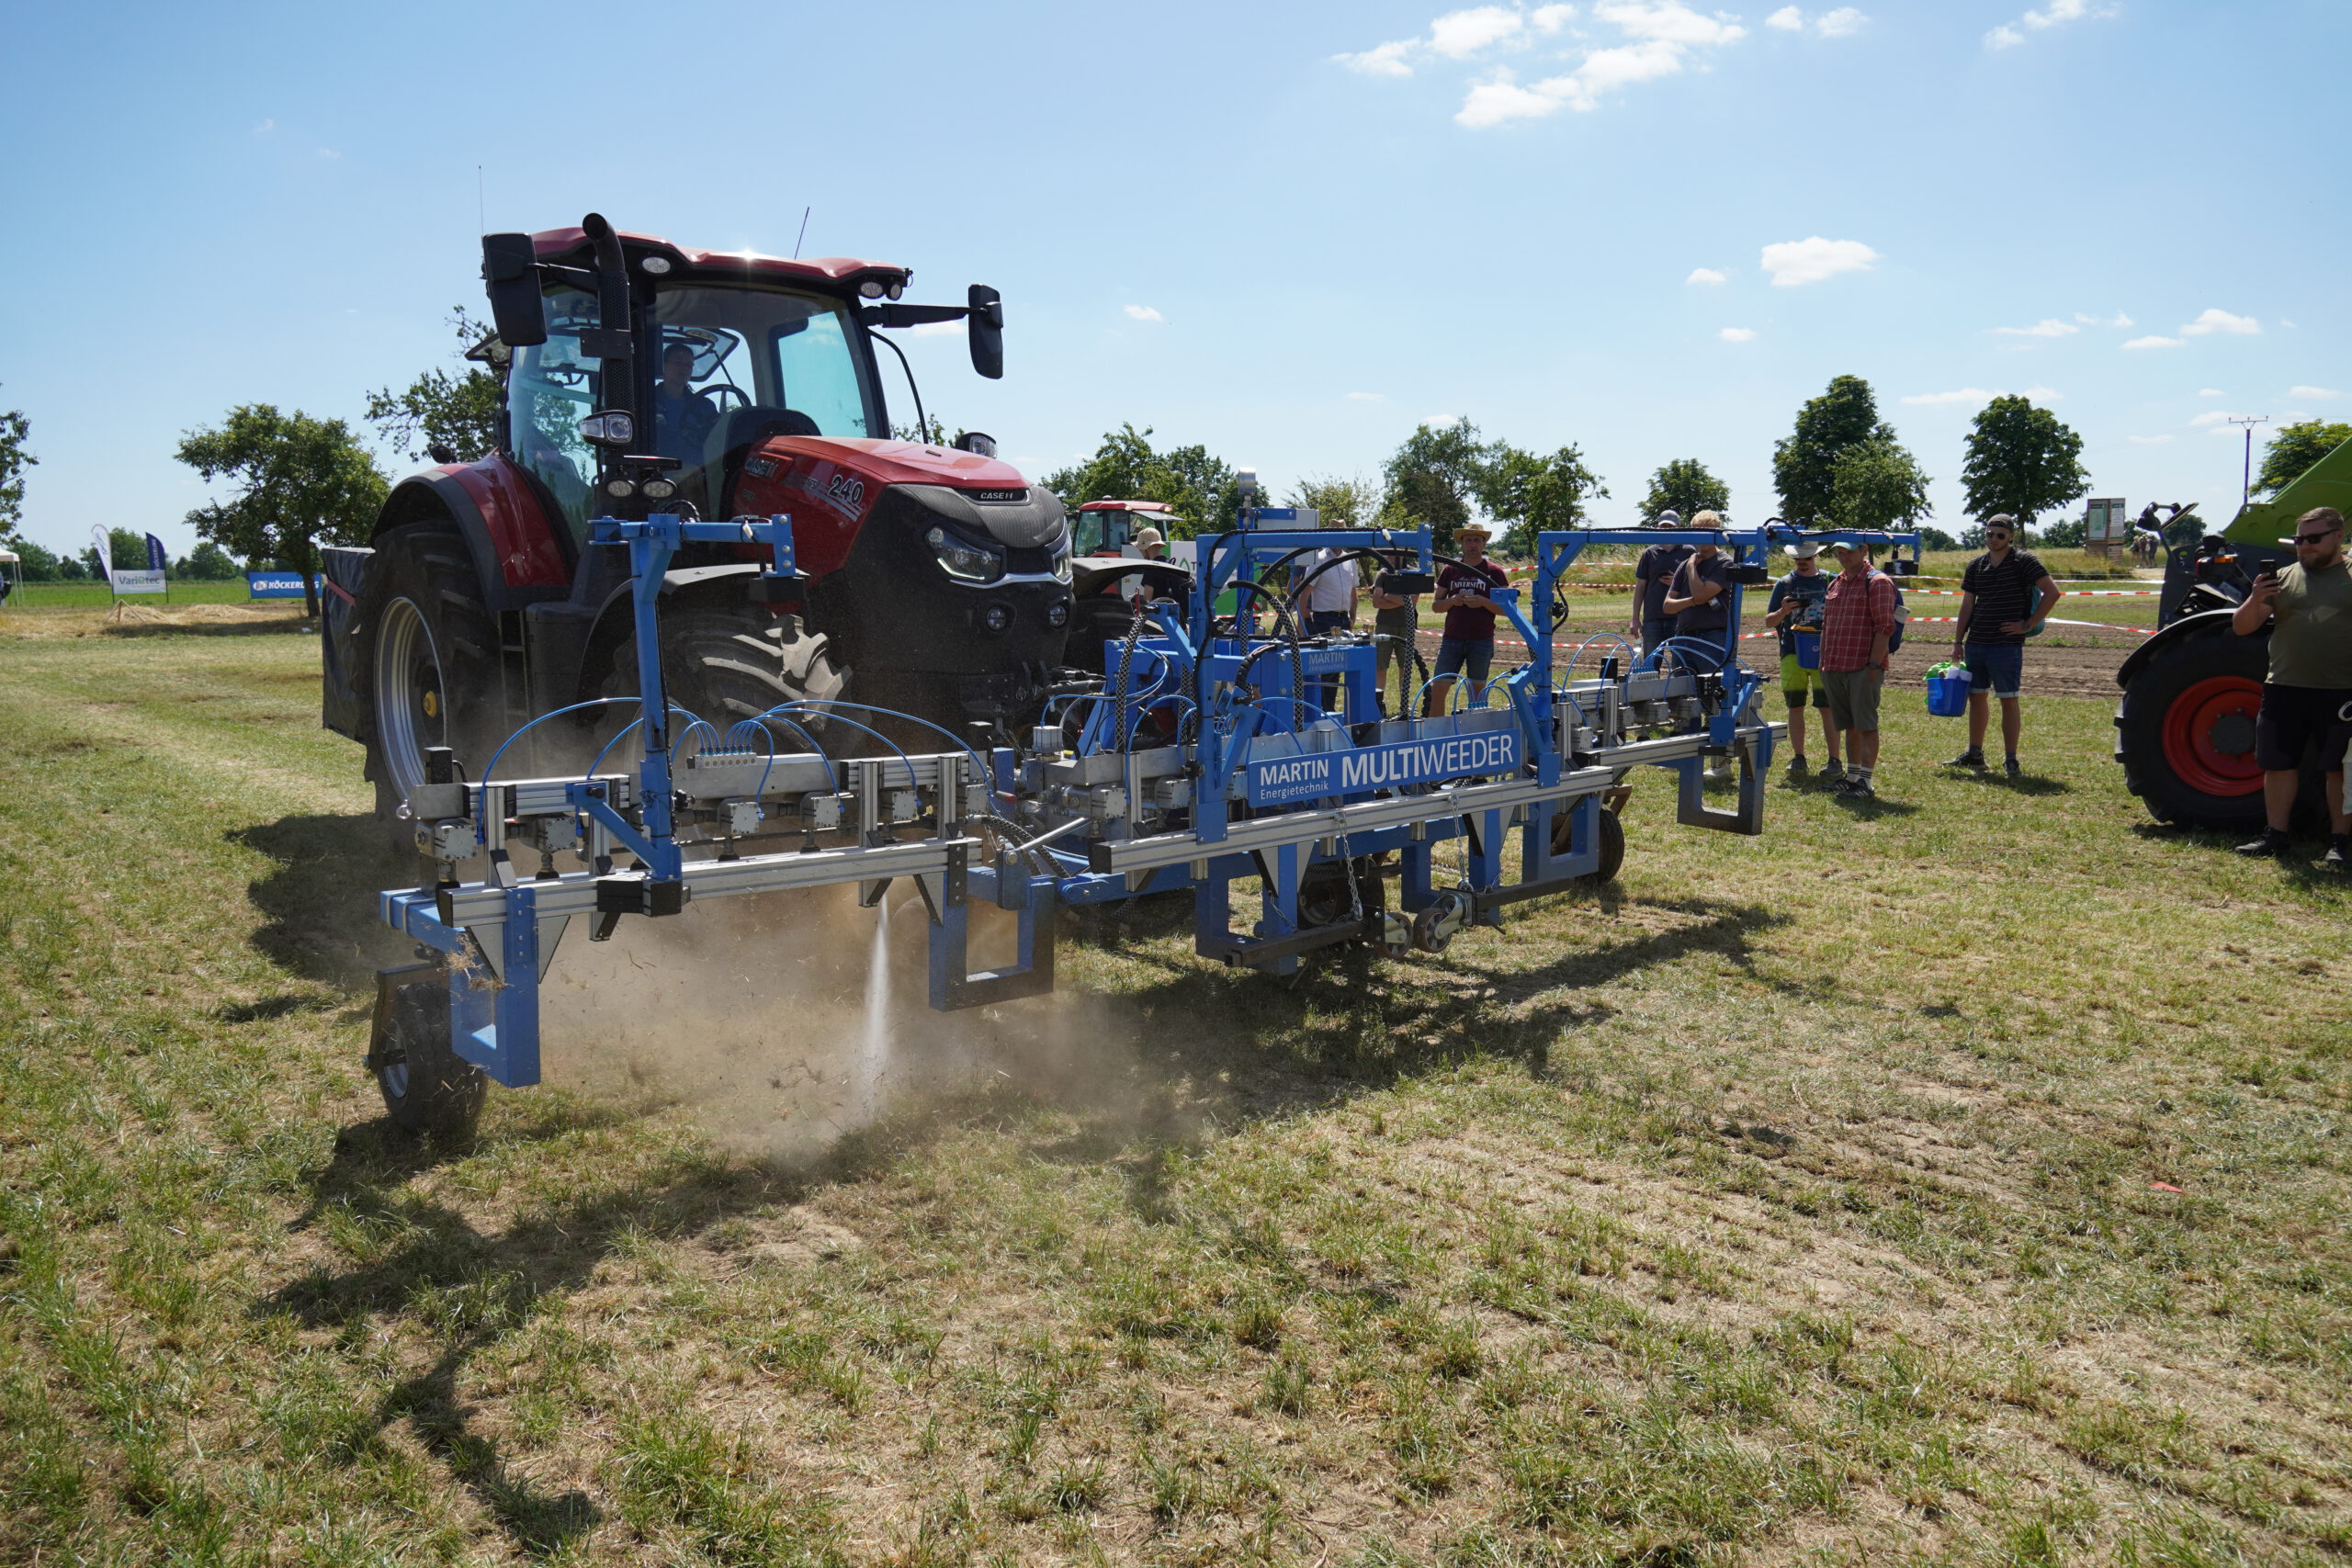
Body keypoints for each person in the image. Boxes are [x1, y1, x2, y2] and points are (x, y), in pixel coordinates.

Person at [2230, 505, 2352, 866]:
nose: (2305, 546)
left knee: (2338, 769)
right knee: (2278, 764)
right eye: (2300, 539)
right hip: (2285, 687)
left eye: (2314, 539)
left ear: (2338, 537)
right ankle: (2276, 837)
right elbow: (2242, 627)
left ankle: (2340, 842)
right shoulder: (2282, 577)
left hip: (2342, 691)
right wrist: (2255, 598)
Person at [1945, 514, 2063, 777]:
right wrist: (1957, 641)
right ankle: (1974, 754)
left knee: (2008, 700)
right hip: (1976, 643)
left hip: (2007, 646)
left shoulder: (2025, 561)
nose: (1993, 539)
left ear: (2011, 536)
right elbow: (1967, 606)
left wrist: (2028, 624)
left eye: (2000, 535)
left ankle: (2011, 760)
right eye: (1989, 533)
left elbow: (2052, 592)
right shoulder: (1976, 565)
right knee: (1977, 697)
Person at [1818, 538, 1897, 799]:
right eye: (1839, 552)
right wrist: (1824, 663)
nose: (1843, 557)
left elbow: (1885, 626)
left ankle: (1865, 781)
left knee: (1865, 724)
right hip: (1835, 665)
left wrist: (1874, 665)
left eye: (1848, 552)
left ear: (1864, 551)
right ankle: (1852, 777)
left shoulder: (1877, 582)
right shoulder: (1836, 582)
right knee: (1849, 724)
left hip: (1863, 667)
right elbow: (1828, 625)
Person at [1763, 540, 1841, 780]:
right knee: (1795, 706)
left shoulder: (1831, 581)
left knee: (1827, 708)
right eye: (1798, 559)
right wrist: (1783, 611)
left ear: (1815, 557)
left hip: (1825, 654)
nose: (1802, 562)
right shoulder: (1784, 584)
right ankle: (1799, 757)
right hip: (1791, 652)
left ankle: (1835, 760)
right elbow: (1769, 622)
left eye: (1806, 558)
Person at [1426, 524, 1510, 715]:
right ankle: (1436, 734)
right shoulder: (1450, 570)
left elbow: (1507, 610)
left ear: (1483, 544)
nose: (1473, 544)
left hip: (1481, 640)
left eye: (1477, 540)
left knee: (1478, 692)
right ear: (1462, 544)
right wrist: (1453, 601)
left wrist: (1483, 602)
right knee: (1438, 688)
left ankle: (1476, 733)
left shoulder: (1494, 572)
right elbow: (1436, 605)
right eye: (1468, 540)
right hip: (1452, 639)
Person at [1301, 523, 1360, 716]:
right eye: (1337, 532)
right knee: (1323, 667)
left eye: (1343, 532)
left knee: (1337, 669)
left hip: (1342, 620)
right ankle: (1319, 710)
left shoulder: (1350, 560)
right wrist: (1305, 622)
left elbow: (1353, 592)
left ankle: (1329, 709)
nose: (1340, 536)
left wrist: (1352, 617)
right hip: (1323, 620)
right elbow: (1305, 592)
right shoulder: (1318, 559)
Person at [1629, 518, 1694, 659]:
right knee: (1650, 664)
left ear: (1678, 527)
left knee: (1681, 662)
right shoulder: (1649, 553)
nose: (1666, 529)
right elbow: (1640, 586)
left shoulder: (1689, 551)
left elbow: (1697, 584)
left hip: (1680, 618)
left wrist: (1676, 583)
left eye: (1670, 526)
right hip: (1653, 618)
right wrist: (1635, 618)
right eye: (1663, 526)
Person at [651, 342, 719, 468]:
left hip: (702, 472)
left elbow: (719, 438)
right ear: (663, 365)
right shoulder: (647, 403)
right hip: (658, 473)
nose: (684, 368)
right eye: (678, 362)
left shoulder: (705, 406)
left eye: (689, 365)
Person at [1370, 548, 1421, 716]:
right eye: (1390, 554)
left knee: (1405, 667)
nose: (1392, 557)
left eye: (1396, 553)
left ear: (1404, 555)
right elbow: (1376, 602)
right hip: (1384, 625)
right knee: (1380, 666)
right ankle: (1378, 704)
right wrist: (1401, 600)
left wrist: (1388, 596)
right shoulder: (1382, 574)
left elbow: (1413, 601)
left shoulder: (1413, 573)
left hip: (1406, 625)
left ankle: (1404, 705)